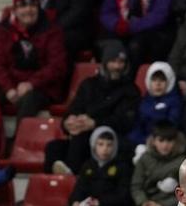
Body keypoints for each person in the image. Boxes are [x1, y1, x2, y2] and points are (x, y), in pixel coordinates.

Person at [44, 40, 141, 175]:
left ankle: (71, 177)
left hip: (111, 141)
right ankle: (54, 187)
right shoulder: (88, 84)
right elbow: (74, 108)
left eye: (121, 62)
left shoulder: (131, 90)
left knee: (81, 136)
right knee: (53, 147)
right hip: (84, 135)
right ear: (104, 63)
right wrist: (69, 122)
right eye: (113, 61)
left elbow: (124, 121)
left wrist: (94, 123)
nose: (117, 66)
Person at [0, 0, 68, 121]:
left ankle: (19, 140)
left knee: (29, 100)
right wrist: (8, 88)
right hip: (12, 83)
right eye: (22, 6)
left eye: (33, 5)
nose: (28, 10)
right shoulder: (4, 29)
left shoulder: (52, 30)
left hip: (42, 87)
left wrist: (31, 83)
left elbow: (57, 66)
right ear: (15, 10)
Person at [59, 126, 134, 206]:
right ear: (94, 145)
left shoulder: (123, 166)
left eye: (109, 145)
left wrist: (100, 202)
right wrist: (75, 202)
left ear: (115, 146)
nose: (105, 149)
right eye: (100, 144)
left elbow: (124, 196)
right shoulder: (88, 165)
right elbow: (79, 188)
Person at [130, 123, 186, 206]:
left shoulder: (183, 162)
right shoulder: (144, 159)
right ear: (154, 141)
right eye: (161, 140)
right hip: (145, 205)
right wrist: (143, 202)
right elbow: (136, 186)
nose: (165, 145)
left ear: (175, 142)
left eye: (169, 141)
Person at [128, 61, 183, 148]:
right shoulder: (144, 101)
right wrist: (143, 140)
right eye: (154, 80)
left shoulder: (175, 101)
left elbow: (172, 124)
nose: (158, 84)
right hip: (144, 142)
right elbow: (137, 126)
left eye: (162, 80)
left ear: (169, 81)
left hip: (165, 143)